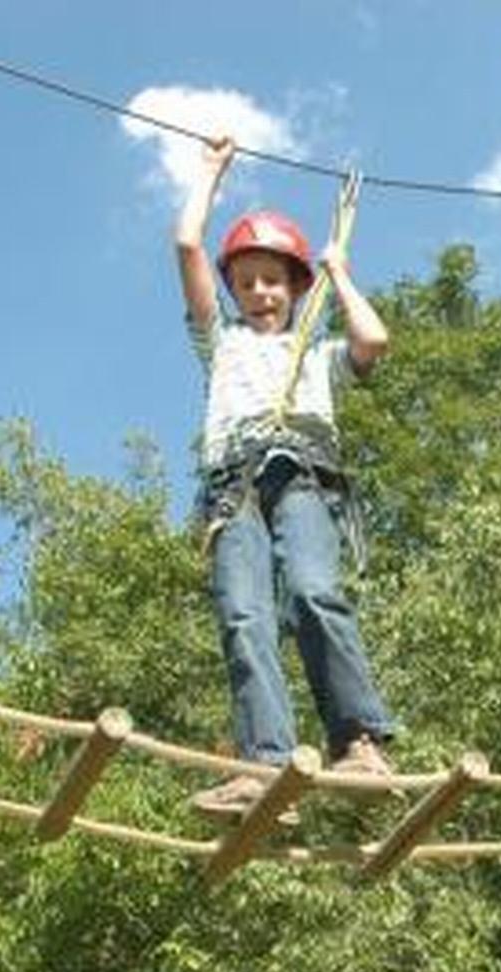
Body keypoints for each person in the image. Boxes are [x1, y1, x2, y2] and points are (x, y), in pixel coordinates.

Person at [174, 135, 400, 820]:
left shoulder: (321, 352)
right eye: (246, 284)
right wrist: (211, 173)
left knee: (311, 592)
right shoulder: (223, 343)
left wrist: (341, 270)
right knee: (245, 617)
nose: (259, 293)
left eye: (273, 280)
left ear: (298, 287)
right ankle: (264, 765)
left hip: (303, 479)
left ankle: (358, 742)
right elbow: (187, 246)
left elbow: (375, 342)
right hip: (233, 488)